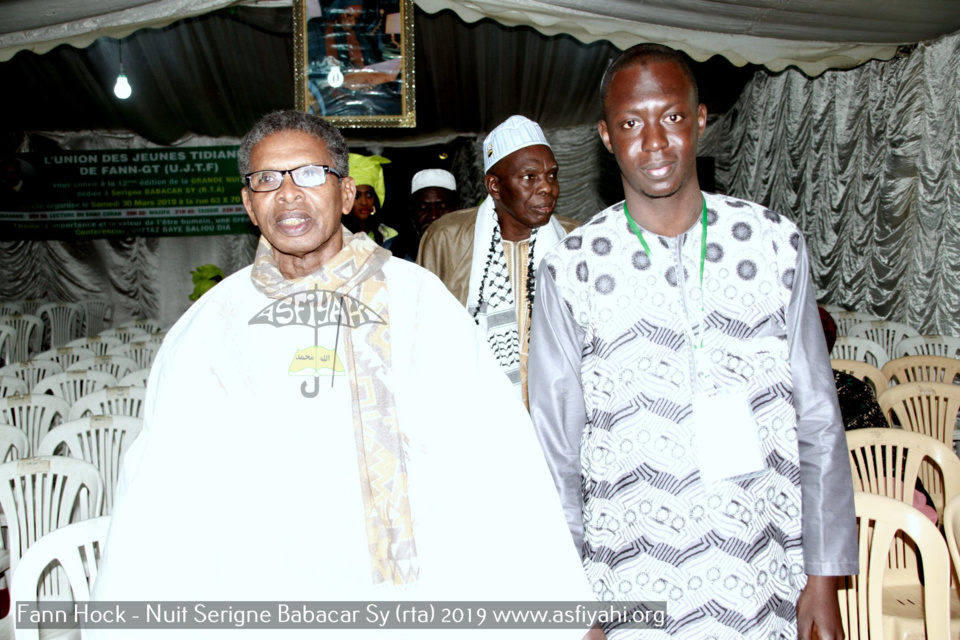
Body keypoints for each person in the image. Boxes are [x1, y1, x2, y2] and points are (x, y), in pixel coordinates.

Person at [89, 110, 595, 639]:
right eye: (267, 180)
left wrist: (565, 607)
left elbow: (497, 454)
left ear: (346, 192)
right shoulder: (209, 328)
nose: (288, 194)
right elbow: (156, 494)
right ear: (248, 203)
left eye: (309, 174)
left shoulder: (417, 302)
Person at [528, 44, 858, 639]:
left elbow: (817, 419)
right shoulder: (569, 268)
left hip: (764, 575)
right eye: (631, 123)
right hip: (630, 583)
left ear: (700, 118)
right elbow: (555, 449)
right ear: (605, 136)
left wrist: (824, 576)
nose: (654, 142)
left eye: (672, 117)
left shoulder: (774, 243)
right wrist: (567, 598)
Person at [418, 115, 579, 407]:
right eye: (529, 177)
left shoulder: (575, 240)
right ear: (494, 186)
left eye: (552, 175)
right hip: (474, 412)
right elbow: (423, 337)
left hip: (555, 413)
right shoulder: (446, 238)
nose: (547, 188)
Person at [343, 152, 399, 251]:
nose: (364, 202)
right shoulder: (338, 234)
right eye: (357, 196)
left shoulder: (388, 235)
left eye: (369, 195)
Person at [410, 168, 459, 235]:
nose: (433, 215)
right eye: (423, 208)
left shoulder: (473, 243)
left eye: (442, 207)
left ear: (457, 208)